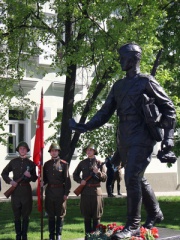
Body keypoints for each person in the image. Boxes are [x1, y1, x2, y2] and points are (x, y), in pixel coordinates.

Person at [69, 43, 176, 239]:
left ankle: (133, 225)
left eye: (122, 57)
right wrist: (85, 126)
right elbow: (105, 111)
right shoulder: (118, 86)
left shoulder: (147, 82)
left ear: (133, 58)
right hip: (124, 136)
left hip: (142, 135)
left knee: (131, 178)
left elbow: (169, 108)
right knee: (137, 177)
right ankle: (155, 212)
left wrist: (168, 139)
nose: (119, 60)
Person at [1, 141, 38, 240]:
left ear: (27, 150)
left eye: (24, 149)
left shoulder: (31, 163)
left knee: (26, 214)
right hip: (15, 191)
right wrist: (10, 181)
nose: (22, 150)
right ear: (18, 150)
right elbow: (4, 173)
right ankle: (18, 236)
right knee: (16, 214)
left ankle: (24, 236)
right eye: (21, 148)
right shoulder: (13, 162)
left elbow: (35, 177)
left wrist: (30, 176)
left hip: (26, 190)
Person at [73, 143, 107, 240]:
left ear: (94, 151)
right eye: (87, 150)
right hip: (85, 191)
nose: (89, 151)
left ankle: (96, 237)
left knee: (96, 217)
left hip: (97, 192)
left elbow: (104, 178)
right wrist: (80, 181)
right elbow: (75, 174)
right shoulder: (82, 163)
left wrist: (98, 172)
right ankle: (87, 237)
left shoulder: (100, 163)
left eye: (91, 150)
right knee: (87, 216)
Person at [43, 143, 71, 240]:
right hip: (50, 191)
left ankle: (58, 234)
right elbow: (45, 179)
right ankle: (51, 235)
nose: (54, 152)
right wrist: (42, 182)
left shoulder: (64, 164)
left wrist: (66, 193)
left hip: (60, 191)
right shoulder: (46, 165)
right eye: (52, 151)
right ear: (50, 152)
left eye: (55, 150)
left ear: (58, 152)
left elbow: (67, 180)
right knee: (50, 214)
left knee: (60, 214)